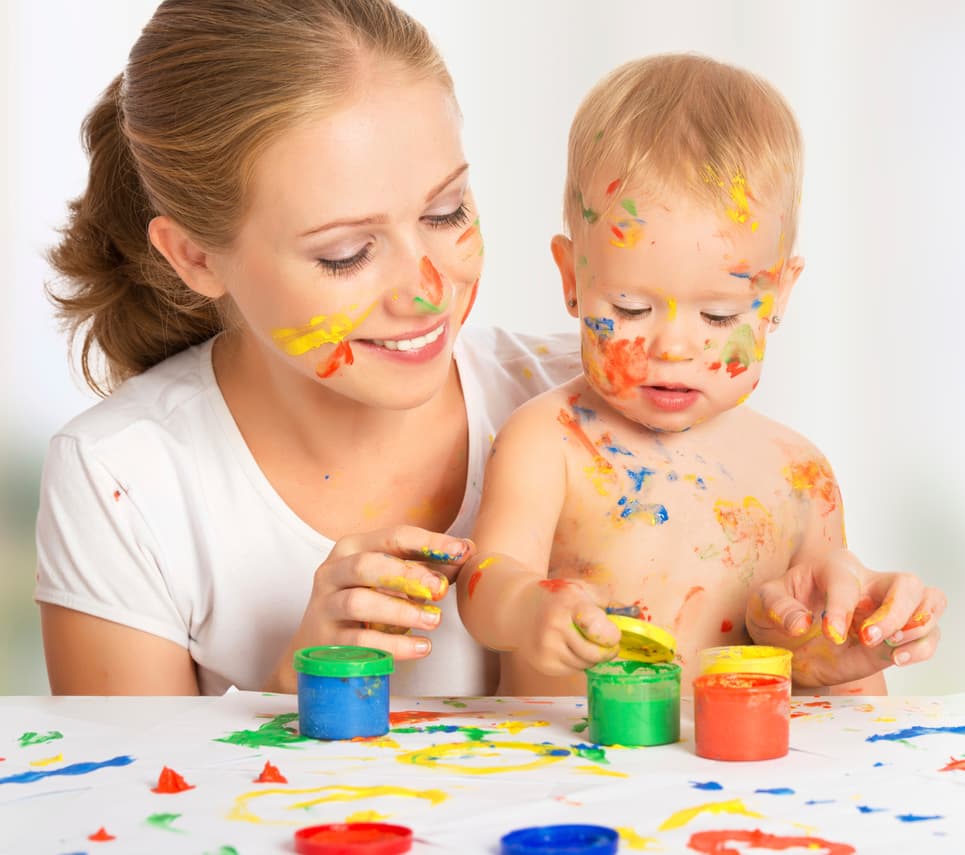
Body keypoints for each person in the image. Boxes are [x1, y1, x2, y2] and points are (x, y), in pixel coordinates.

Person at [35, 0, 580, 696]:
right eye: (345, 254)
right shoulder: (124, 478)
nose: (427, 290)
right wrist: (293, 688)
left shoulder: (586, 405)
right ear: (196, 257)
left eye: (447, 212)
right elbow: (119, 795)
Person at [457, 54, 946, 695]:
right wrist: (528, 609)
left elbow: (839, 701)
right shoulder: (548, 442)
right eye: (629, 308)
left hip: (733, 789)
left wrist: (842, 650)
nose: (674, 346)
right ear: (573, 279)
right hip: (571, 777)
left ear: (779, 296)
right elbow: (485, 582)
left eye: (719, 314)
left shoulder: (801, 476)